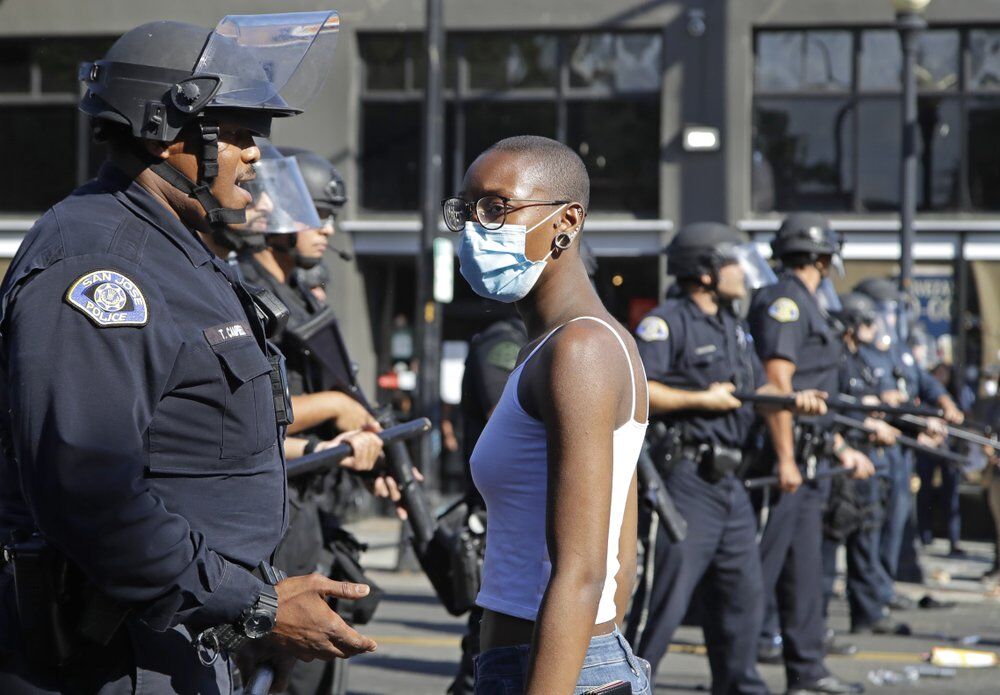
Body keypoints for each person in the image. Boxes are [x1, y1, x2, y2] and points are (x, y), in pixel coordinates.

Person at [0, 14, 378, 695]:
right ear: (166, 132)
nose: (256, 154)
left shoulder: (181, 251)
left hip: (180, 632)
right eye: (236, 131)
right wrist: (253, 604)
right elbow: (88, 490)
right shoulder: (100, 263)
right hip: (108, 656)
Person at [442, 135, 651, 694]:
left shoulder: (579, 350)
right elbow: (619, 556)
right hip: (551, 666)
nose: (473, 228)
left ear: (568, 220)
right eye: (464, 211)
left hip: (551, 671)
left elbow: (585, 571)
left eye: (495, 207)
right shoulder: (564, 344)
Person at [626, 222, 828, 694]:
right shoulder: (665, 322)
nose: (743, 273)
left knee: (744, 599)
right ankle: (620, 683)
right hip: (686, 481)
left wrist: (790, 399)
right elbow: (641, 391)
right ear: (705, 271)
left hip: (730, 483)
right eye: (733, 262)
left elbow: (756, 388)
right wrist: (702, 399)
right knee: (665, 600)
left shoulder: (733, 325)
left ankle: (740, 687)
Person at [747, 213, 874, 695]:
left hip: (810, 455)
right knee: (757, 574)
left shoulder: (808, 302)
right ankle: (738, 673)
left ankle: (807, 671)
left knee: (804, 571)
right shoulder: (786, 302)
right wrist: (786, 459)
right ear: (824, 257)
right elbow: (779, 385)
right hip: (785, 460)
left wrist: (840, 445)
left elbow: (811, 394)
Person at [852, 278, 962, 601]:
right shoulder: (862, 353)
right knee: (869, 525)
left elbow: (924, 383)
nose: (888, 321)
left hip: (901, 451)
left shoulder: (899, 350)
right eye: (883, 313)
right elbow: (882, 399)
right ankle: (871, 593)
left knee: (895, 521)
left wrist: (945, 404)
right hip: (874, 449)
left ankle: (884, 587)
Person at [448, 309, 528, 695]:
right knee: (489, 643)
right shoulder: (505, 341)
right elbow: (507, 418)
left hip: (510, 512)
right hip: (499, 514)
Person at [823, 293, 905, 639]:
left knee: (865, 542)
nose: (873, 329)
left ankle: (867, 613)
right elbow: (836, 409)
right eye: (867, 323)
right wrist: (865, 420)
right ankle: (817, 627)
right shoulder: (838, 361)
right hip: (843, 462)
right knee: (829, 549)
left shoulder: (862, 360)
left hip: (866, 460)